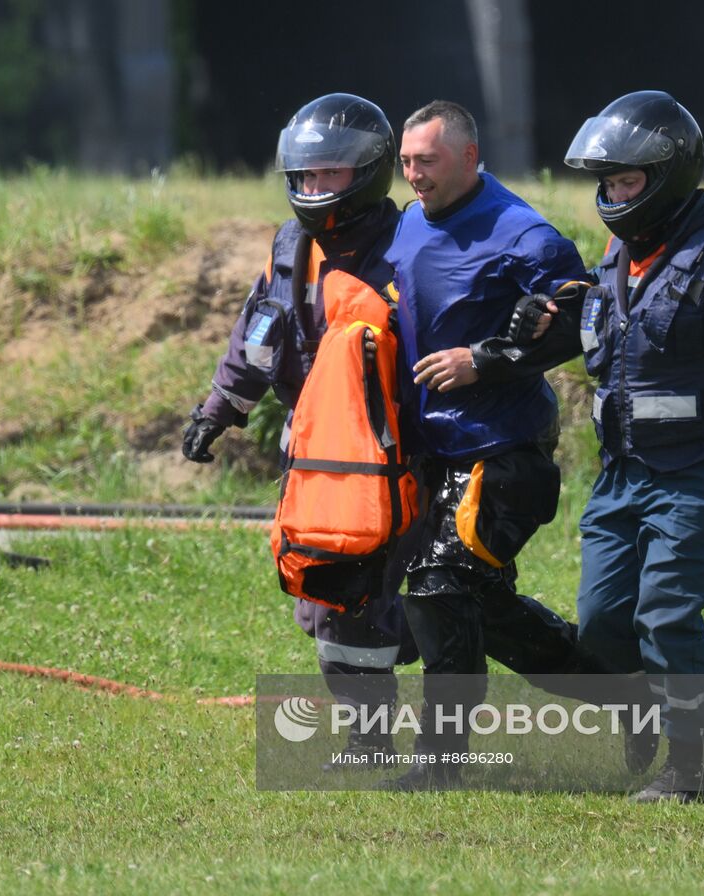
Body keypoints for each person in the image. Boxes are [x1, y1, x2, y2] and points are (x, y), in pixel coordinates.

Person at [507, 90, 704, 802]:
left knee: (663, 610)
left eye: (626, 181)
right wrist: (542, 326)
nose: (613, 194)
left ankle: (692, 767)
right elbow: (604, 336)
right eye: (607, 182)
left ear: (667, 175)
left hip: (702, 469)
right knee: (603, 628)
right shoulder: (617, 256)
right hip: (623, 474)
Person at [182, 93, 416, 767]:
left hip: (399, 460)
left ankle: (445, 705)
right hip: (317, 465)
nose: (314, 188)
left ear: (367, 173)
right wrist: (217, 411)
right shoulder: (289, 248)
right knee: (328, 599)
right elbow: (257, 336)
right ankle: (369, 738)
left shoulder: (412, 246)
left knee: (420, 598)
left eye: (330, 175)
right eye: (305, 176)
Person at [380, 99, 602, 790]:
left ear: (471, 158)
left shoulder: (524, 235)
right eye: (407, 162)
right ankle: (649, 692)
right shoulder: (410, 221)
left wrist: (483, 358)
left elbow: (579, 320)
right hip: (434, 451)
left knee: (442, 587)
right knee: (484, 608)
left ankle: (439, 766)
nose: (415, 175)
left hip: (503, 452)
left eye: (429, 161)